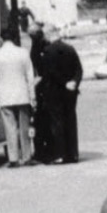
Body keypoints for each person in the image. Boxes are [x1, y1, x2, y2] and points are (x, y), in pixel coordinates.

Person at [34, 24, 83, 164]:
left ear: (49, 35)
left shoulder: (48, 51)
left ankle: (60, 154)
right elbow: (79, 69)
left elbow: (50, 73)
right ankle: (73, 154)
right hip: (71, 92)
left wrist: (63, 83)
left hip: (54, 92)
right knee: (71, 121)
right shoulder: (70, 48)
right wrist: (74, 82)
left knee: (57, 123)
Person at [0, 32, 36, 166]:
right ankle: (27, 157)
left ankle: (13, 158)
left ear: (1, 39)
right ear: (14, 39)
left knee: (10, 128)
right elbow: (30, 76)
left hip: (5, 96)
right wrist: (32, 96)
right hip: (22, 94)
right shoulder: (23, 53)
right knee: (24, 127)